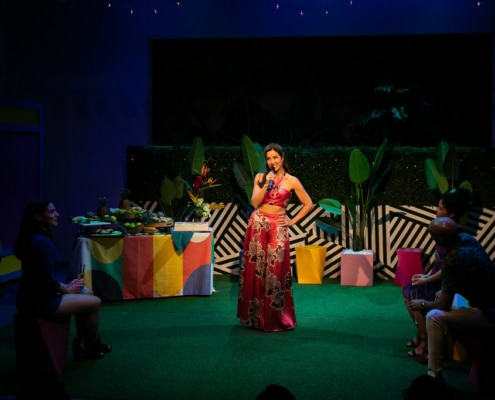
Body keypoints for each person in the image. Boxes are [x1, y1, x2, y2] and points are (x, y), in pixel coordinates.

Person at [14, 198, 111, 360]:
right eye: (51, 212)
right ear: (38, 217)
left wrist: (67, 286)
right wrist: (66, 289)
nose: (57, 215)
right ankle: (90, 348)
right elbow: (46, 281)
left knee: (87, 291)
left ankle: (83, 344)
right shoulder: (41, 242)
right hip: (39, 301)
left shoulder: (35, 238)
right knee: (95, 302)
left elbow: (42, 277)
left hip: (36, 295)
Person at [237, 143, 313, 332]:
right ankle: (255, 318)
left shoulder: (292, 181)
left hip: (278, 226)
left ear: (282, 158)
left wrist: (292, 222)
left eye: (275, 157)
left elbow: (308, 204)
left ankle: (275, 318)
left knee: (276, 271)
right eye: (269, 158)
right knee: (256, 271)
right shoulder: (261, 177)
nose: (272, 161)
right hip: (258, 224)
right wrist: (265, 184)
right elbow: (255, 202)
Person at [408, 217, 495, 380]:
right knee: (443, 295)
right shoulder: (467, 239)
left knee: (433, 316)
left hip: (488, 313)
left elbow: (442, 305)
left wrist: (422, 303)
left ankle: (434, 376)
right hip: (487, 300)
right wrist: (447, 289)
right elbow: (466, 274)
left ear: (440, 239)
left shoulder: (453, 259)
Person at [402, 188, 471, 362]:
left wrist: (427, 279)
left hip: (447, 284)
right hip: (438, 278)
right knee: (408, 289)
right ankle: (421, 334)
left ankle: (425, 341)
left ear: (452, 213)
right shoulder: (444, 230)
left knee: (413, 293)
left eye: (440, 208)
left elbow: (450, 268)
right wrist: (426, 276)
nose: (436, 210)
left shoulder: (453, 235)